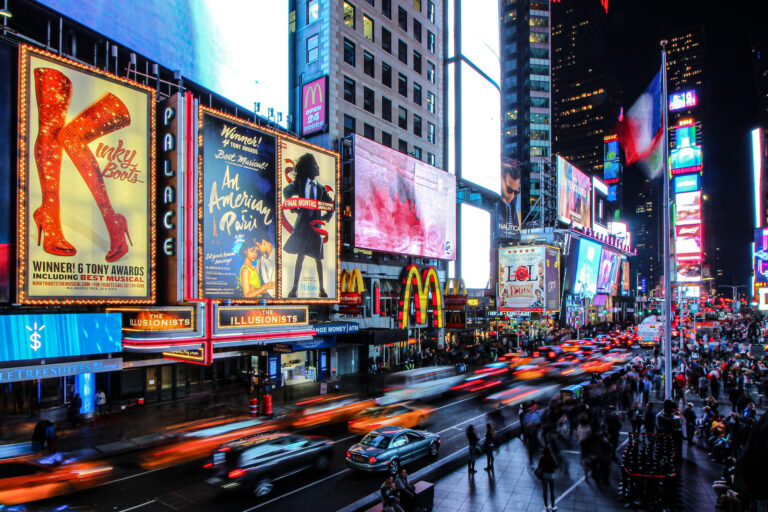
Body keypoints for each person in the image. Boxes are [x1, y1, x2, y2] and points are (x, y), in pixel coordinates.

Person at [282, 152, 335, 298]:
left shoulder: (320, 188)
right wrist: (293, 206)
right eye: (315, 165)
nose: (318, 168)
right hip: (303, 224)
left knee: (318, 257)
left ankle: (322, 288)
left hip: (316, 225)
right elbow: (286, 191)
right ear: (309, 168)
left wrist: (326, 217)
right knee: (301, 255)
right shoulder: (299, 183)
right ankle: (294, 289)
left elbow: (332, 204)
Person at [536, 446, 558, 512]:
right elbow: (556, 466)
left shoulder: (542, 458)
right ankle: (553, 505)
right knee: (552, 491)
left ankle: (546, 506)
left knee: (545, 491)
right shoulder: (552, 458)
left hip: (544, 476)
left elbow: (539, 467)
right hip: (551, 476)